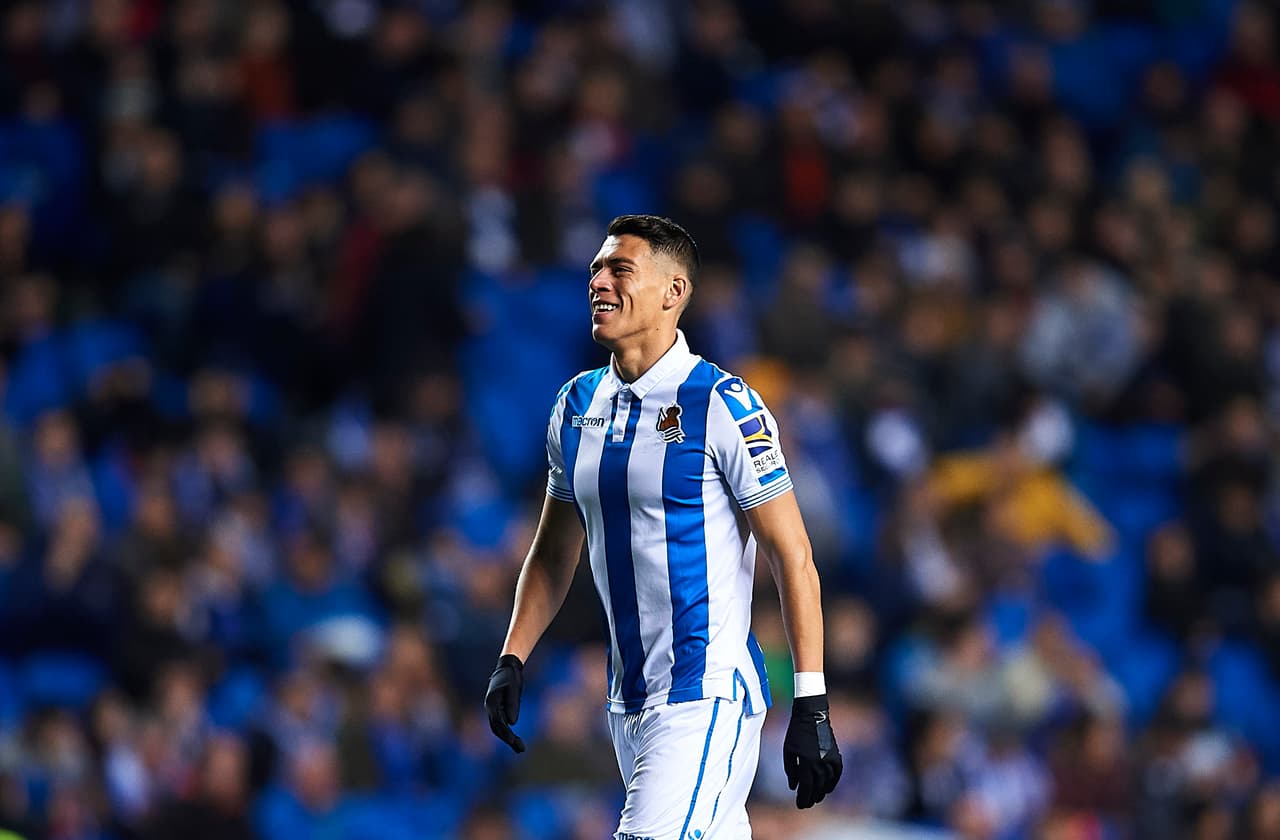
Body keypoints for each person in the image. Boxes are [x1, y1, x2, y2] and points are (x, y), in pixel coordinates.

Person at [484, 214, 842, 837]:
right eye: (596, 267)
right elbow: (552, 554)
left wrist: (810, 701)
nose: (598, 281)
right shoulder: (574, 408)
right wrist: (512, 657)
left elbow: (793, 556)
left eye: (620, 269)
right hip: (628, 700)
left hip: (705, 693)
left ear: (674, 292)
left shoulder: (724, 405)